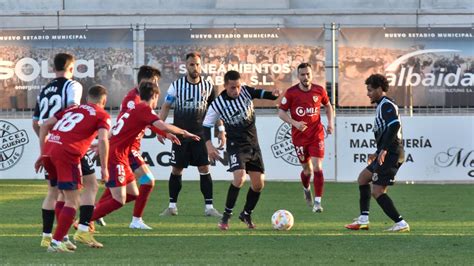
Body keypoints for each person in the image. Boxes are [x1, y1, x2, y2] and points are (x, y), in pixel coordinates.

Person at [89, 82, 200, 225]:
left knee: (133, 192)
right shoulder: (144, 109)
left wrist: (166, 134)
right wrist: (183, 132)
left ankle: (100, 211)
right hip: (118, 154)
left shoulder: (135, 108)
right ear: (154, 96)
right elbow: (162, 125)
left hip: (122, 153)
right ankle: (86, 220)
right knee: (127, 192)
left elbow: (121, 129)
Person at [32, 52, 97, 250]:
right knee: (90, 186)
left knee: (54, 192)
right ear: (72, 68)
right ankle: (81, 231)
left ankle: (48, 236)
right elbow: (73, 111)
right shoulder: (73, 86)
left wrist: (45, 146)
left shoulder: (43, 90)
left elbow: (36, 123)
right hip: (68, 144)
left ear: (53, 68)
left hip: (50, 146)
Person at [34, 85, 111, 252]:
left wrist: (43, 152)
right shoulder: (102, 114)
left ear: (87, 99)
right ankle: (56, 242)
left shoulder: (73, 109)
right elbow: (104, 140)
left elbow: (45, 124)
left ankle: (68, 236)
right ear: (103, 101)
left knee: (64, 193)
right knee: (73, 200)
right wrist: (104, 168)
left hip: (51, 148)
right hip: (68, 154)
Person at [203, 70, 280, 230]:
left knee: (258, 185)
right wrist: (209, 144)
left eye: (237, 86)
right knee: (239, 178)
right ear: (225, 86)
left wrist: (274, 94)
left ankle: (246, 213)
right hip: (235, 145)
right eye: (232, 87)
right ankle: (225, 218)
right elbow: (206, 125)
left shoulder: (245, 91)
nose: (236, 90)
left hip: (253, 145)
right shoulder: (217, 104)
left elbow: (264, 94)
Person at [96, 65, 165, 230]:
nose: (156, 85)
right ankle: (135, 220)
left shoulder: (136, 98)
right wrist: (162, 130)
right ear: (144, 81)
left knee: (126, 187)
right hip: (128, 148)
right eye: (154, 81)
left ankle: (96, 211)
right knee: (147, 181)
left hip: (130, 147)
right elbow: (131, 121)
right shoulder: (133, 99)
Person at [159, 52, 224, 217]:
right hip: (180, 135)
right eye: (191, 64)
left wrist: (221, 131)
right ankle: (172, 206)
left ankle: (209, 208)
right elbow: (166, 106)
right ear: (186, 66)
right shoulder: (176, 85)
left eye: (197, 64)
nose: (195, 67)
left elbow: (215, 110)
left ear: (201, 65)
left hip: (201, 135)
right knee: (176, 169)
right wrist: (160, 128)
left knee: (204, 168)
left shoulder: (209, 86)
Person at [344, 74, 409, 232]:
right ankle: (363, 219)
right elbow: (387, 131)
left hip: (392, 153)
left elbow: (394, 126)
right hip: (387, 152)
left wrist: (384, 150)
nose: (368, 94)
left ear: (380, 89)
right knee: (363, 178)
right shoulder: (382, 105)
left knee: (378, 191)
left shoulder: (386, 105)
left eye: (370, 90)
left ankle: (400, 223)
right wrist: (377, 151)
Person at [278, 63, 334, 212]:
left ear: (311, 74)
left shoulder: (319, 90)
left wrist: (330, 123)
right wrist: (295, 123)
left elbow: (328, 106)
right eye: (302, 74)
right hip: (299, 138)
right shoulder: (291, 93)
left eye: (308, 74)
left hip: (316, 135)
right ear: (298, 76)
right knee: (307, 171)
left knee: (317, 167)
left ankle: (317, 202)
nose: (305, 77)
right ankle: (306, 188)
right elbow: (281, 113)